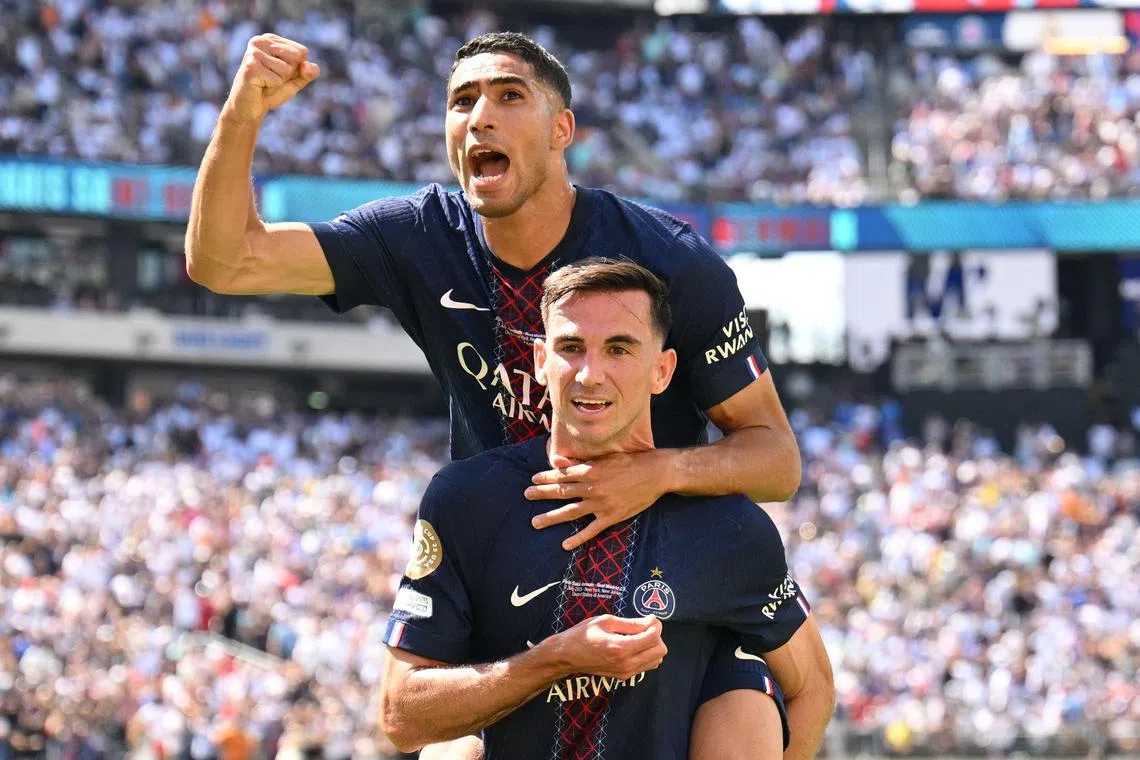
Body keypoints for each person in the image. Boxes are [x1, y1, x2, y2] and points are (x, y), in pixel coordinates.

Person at [186, 30, 806, 759]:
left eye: (509, 96)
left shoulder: (672, 262)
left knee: (747, 722)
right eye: (462, 100)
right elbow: (226, 262)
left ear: (562, 129)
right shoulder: (420, 237)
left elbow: (776, 461)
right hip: (503, 563)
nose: (480, 115)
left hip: (663, 571)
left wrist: (657, 472)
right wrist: (244, 112)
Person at [377, 260, 834, 758]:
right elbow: (402, 715)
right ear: (540, 361)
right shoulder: (467, 498)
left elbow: (812, 688)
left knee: (752, 697)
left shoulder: (727, 528)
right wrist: (556, 660)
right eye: (571, 348)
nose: (590, 375)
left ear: (662, 371)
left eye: (619, 349)